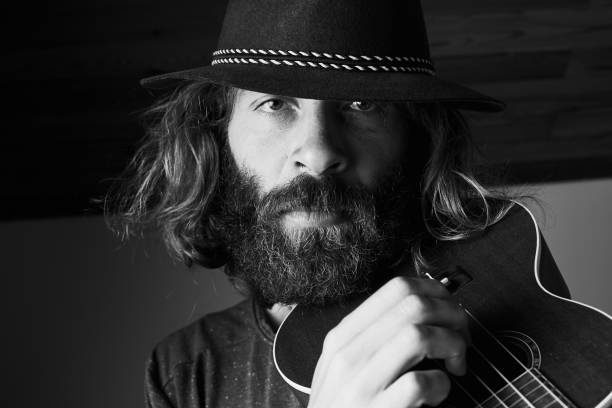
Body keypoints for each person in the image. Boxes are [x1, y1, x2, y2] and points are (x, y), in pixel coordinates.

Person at [107, 0, 570, 407]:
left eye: (362, 104)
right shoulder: (186, 372)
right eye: (273, 104)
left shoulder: (512, 282)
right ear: (217, 134)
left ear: (418, 139)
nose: (318, 152)